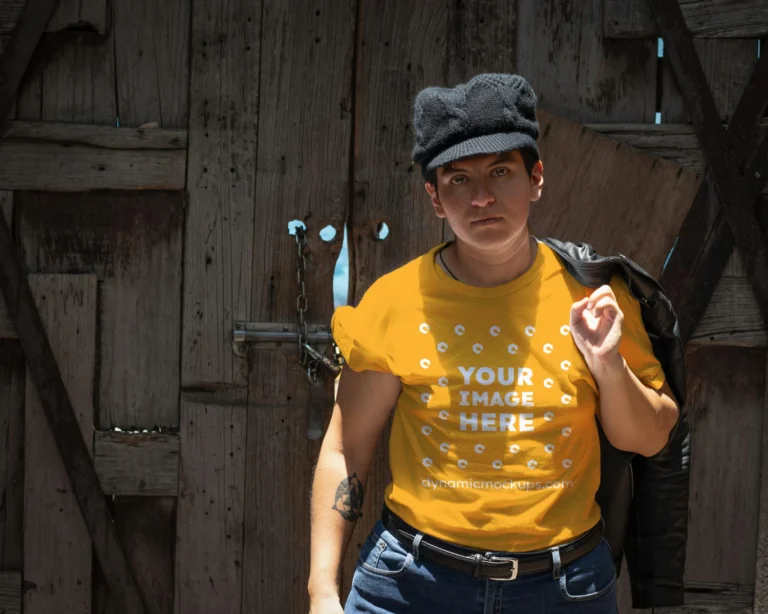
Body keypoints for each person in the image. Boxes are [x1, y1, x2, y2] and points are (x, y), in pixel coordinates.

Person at [307, 73, 681, 614]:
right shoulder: (395, 302)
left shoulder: (596, 295)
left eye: (500, 171)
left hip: (563, 588)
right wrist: (321, 589)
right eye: (458, 179)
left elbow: (649, 439)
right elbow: (346, 449)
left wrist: (606, 364)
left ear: (536, 179)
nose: (481, 196)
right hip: (411, 586)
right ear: (435, 198)